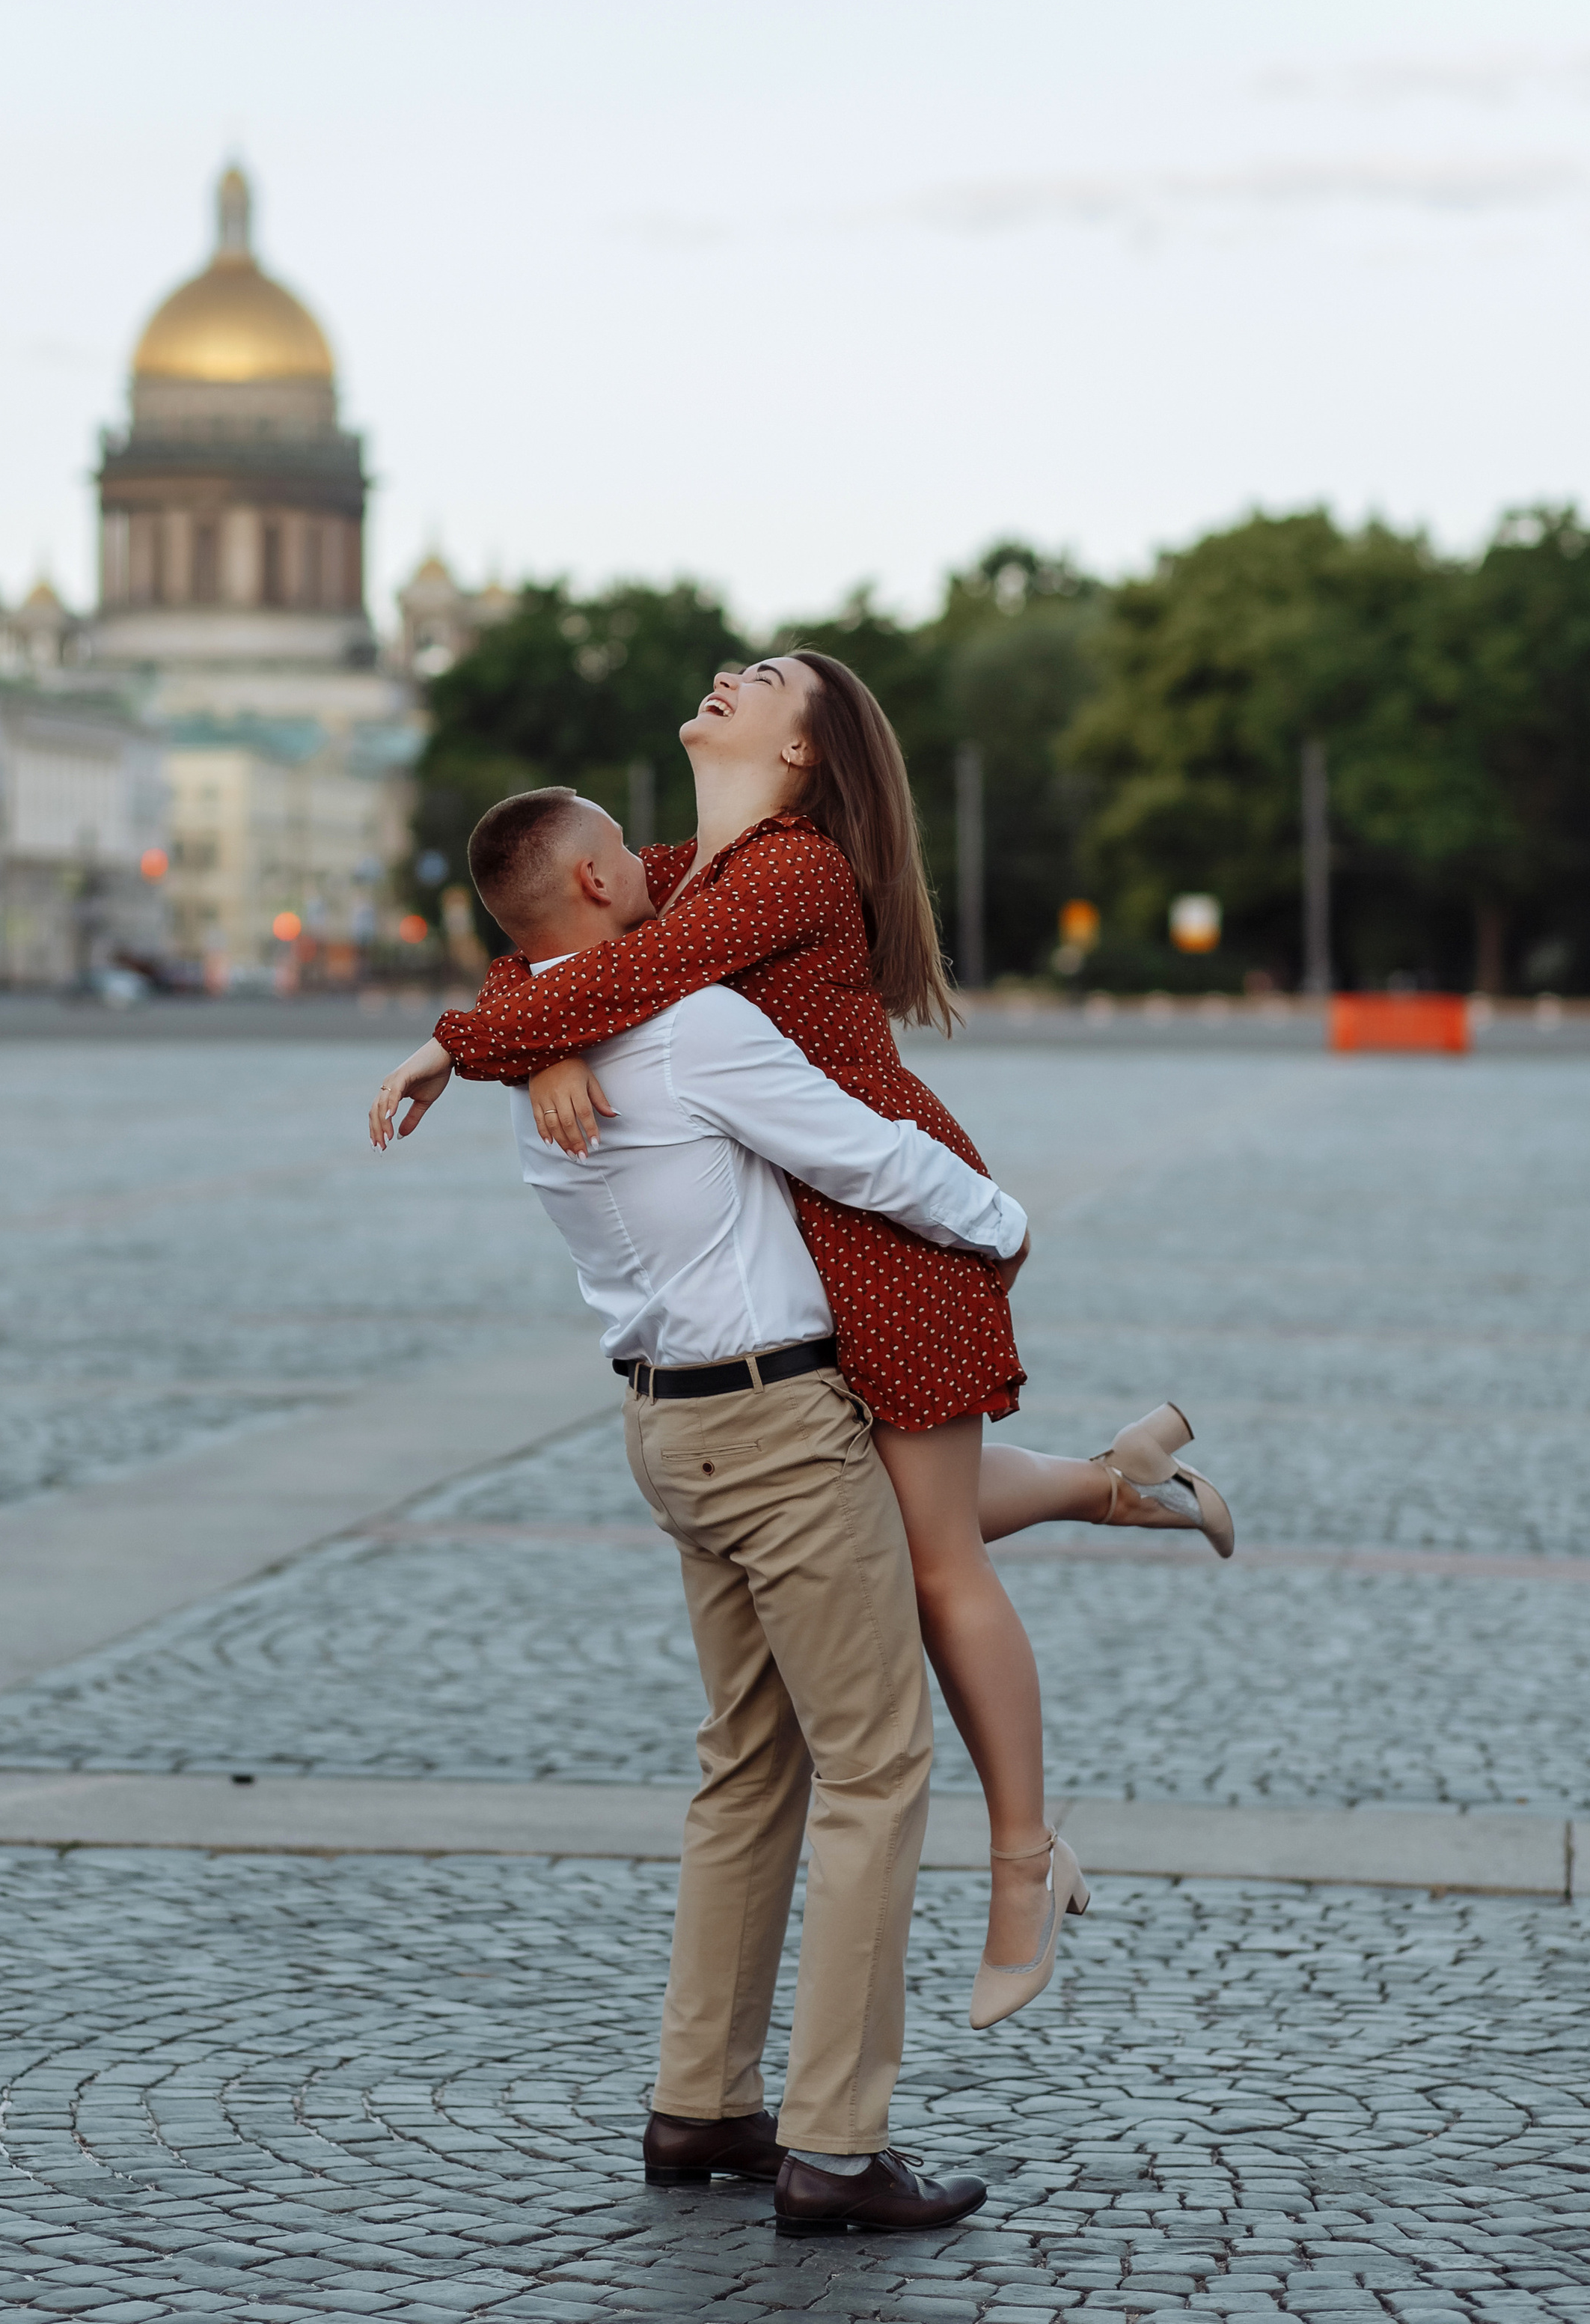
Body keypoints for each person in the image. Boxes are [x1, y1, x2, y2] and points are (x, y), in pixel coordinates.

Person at [373, 655, 1232, 2013]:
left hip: (898, 1223)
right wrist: (532, 1041)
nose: (723, 675)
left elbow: (617, 971)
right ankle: (1111, 1482)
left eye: (760, 681)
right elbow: (562, 937)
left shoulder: (788, 871)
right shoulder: (686, 868)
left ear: (800, 757)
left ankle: (1026, 1864)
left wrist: (469, 1041)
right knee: (895, 1512)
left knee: (935, 1563)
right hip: (824, 1230)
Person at [373, 786, 1014, 2233]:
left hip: (670, 1427)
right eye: (630, 851)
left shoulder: (551, 1036)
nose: (660, 872)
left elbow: (555, 986)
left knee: (748, 1761)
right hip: (775, 1422)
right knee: (875, 1766)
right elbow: (857, 1149)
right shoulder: (693, 1024)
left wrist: (524, 1036)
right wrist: (1003, 1221)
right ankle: (838, 2147)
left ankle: (701, 2104)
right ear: (602, 881)